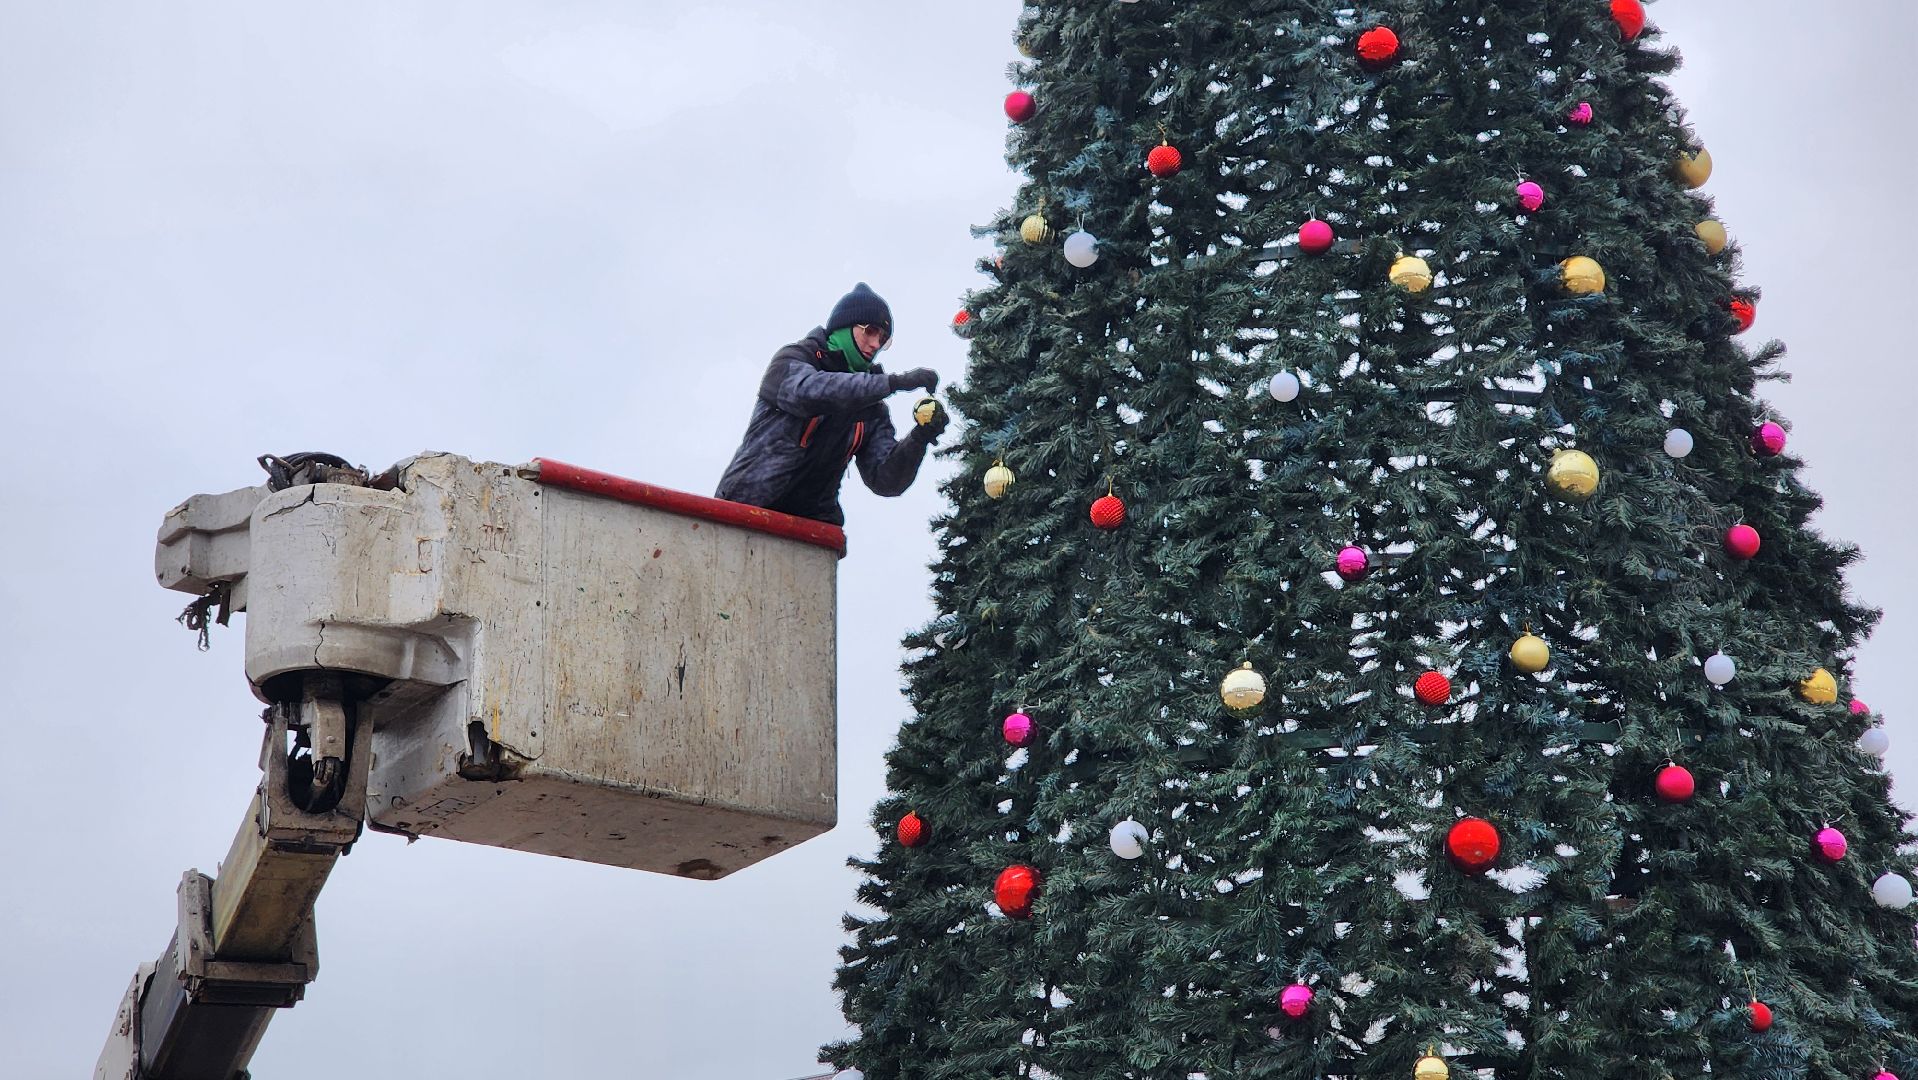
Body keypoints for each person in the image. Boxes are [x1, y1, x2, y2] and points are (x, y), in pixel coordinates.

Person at [715, 283, 947, 526]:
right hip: (744, 512)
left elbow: (885, 480)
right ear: (845, 326)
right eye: (870, 331)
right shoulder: (793, 360)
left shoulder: (872, 408)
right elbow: (811, 392)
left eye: (884, 339)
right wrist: (893, 382)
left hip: (811, 530)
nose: (876, 344)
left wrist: (919, 438)